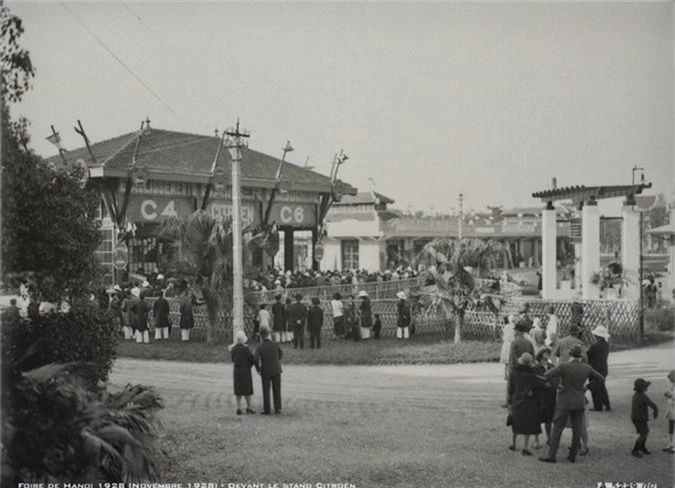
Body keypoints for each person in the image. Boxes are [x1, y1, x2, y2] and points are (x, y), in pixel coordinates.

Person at [539, 344, 605, 464]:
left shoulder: (564, 366)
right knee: (577, 428)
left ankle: (552, 455)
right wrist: (587, 387)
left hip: (565, 399)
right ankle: (572, 455)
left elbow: (547, 374)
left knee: (557, 428)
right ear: (581, 356)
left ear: (570, 354)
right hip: (579, 399)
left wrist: (557, 384)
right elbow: (601, 378)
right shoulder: (586, 367)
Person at [508, 352, 546, 456]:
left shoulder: (514, 372)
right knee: (527, 424)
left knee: (516, 422)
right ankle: (525, 447)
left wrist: (509, 402)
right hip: (528, 401)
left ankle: (513, 443)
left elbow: (511, 388)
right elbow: (541, 385)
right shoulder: (532, 374)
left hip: (516, 399)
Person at [505, 319, 535, 409]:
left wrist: (510, 368)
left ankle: (509, 401)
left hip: (517, 368)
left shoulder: (515, 342)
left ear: (517, 331)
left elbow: (512, 357)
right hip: (527, 367)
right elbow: (533, 355)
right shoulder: (529, 342)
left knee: (512, 386)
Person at [255, 327, 283, 415]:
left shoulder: (260, 346)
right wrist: (277, 360)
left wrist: (258, 368)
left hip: (265, 370)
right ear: (268, 334)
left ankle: (267, 409)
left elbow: (255, 359)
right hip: (276, 368)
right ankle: (277, 408)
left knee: (266, 390)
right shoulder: (275, 344)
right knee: (277, 389)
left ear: (261, 336)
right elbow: (281, 353)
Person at [533, 347, 556, 448]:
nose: (547, 354)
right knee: (537, 418)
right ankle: (536, 440)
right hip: (540, 396)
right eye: (545, 353)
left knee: (549, 419)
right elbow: (533, 381)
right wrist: (543, 385)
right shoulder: (536, 368)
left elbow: (556, 378)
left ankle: (549, 438)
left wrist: (552, 384)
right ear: (540, 355)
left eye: (548, 353)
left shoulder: (552, 366)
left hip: (551, 395)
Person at [631, 378, 659, 457]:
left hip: (636, 417)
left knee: (645, 431)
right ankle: (635, 449)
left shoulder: (636, 395)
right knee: (644, 433)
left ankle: (642, 447)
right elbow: (651, 404)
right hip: (640, 418)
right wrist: (656, 410)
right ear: (643, 388)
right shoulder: (642, 396)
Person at [231, 330, 256, 415]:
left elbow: (233, 360)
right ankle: (249, 407)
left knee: (238, 389)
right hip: (245, 370)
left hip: (237, 370)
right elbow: (252, 359)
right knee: (247, 389)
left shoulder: (233, 349)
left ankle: (238, 407)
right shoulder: (246, 349)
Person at [587, 325, 611, 411]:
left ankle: (598, 406)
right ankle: (606, 404)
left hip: (595, 369)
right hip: (603, 368)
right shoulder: (606, 345)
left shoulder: (595, 346)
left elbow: (588, 355)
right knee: (601, 386)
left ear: (597, 336)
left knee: (595, 388)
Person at [500, 315, 516, 381]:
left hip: (505, 344)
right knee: (511, 360)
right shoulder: (514, 327)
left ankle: (505, 375)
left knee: (506, 362)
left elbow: (503, 335)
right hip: (511, 344)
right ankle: (511, 374)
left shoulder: (506, 327)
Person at [663, 369, 675, 453]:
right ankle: (670, 443)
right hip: (671, 409)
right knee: (671, 426)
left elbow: (673, 395)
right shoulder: (673, 386)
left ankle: (674, 445)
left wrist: (671, 396)